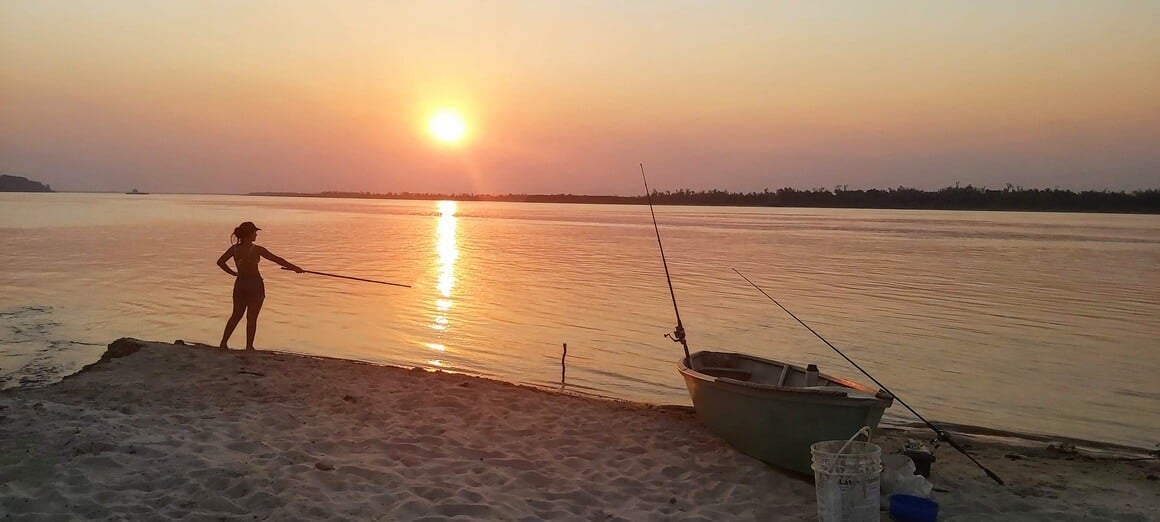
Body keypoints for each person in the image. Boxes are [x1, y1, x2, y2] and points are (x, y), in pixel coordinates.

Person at [216, 221, 303, 350]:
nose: (256, 235)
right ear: (249, 234)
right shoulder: (256, 249)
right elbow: (276, 259)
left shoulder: (234, 249)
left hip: (240, 285)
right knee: (252, 317)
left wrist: (234, 273)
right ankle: (249, 346)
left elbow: (220, 262)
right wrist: (294, 267)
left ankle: (223, 343)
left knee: (236, 315)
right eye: (255, 232)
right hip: (255, 286)